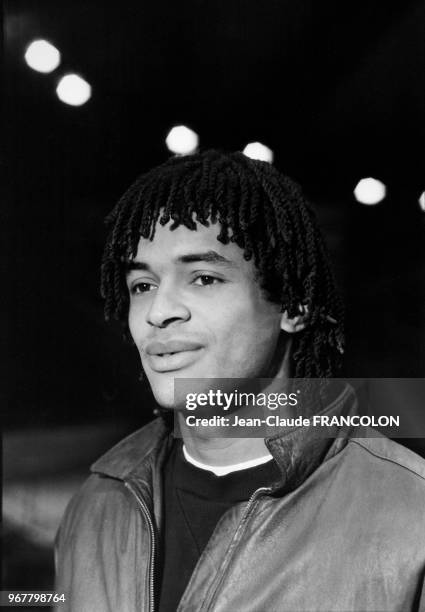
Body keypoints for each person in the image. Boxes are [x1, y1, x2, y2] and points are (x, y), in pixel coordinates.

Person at [55, 150, 425, 611]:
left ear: (294, 305)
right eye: (142, 285)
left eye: (204, 278)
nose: (158, 312)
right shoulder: (96, 504)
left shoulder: (411, 513)